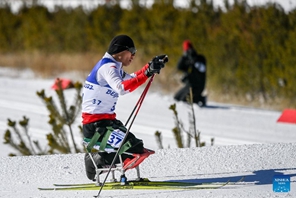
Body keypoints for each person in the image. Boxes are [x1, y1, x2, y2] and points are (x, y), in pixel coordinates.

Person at [82, 34, 168, 180]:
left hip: (108, 123)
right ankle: (96, 160)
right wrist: (146, 72)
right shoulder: (107, 67)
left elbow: (132, 79)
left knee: (138, 147)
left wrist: (149, 67)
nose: (134, 55)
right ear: (119, 52)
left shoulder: (114, 66)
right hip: (96, 126)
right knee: (132, 149)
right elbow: (121, 88)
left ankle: (104, 160)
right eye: (131, 51)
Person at [174, 40, 207, 107]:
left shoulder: (200, 59)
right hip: (189, 85)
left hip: (198, 86)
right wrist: (183, 57)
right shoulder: (187, 59)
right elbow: (179, 67)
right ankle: (197, 97)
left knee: (184, 100)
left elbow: (202, 69)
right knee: (176, 98)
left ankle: (201, 98)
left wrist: (194, 60)